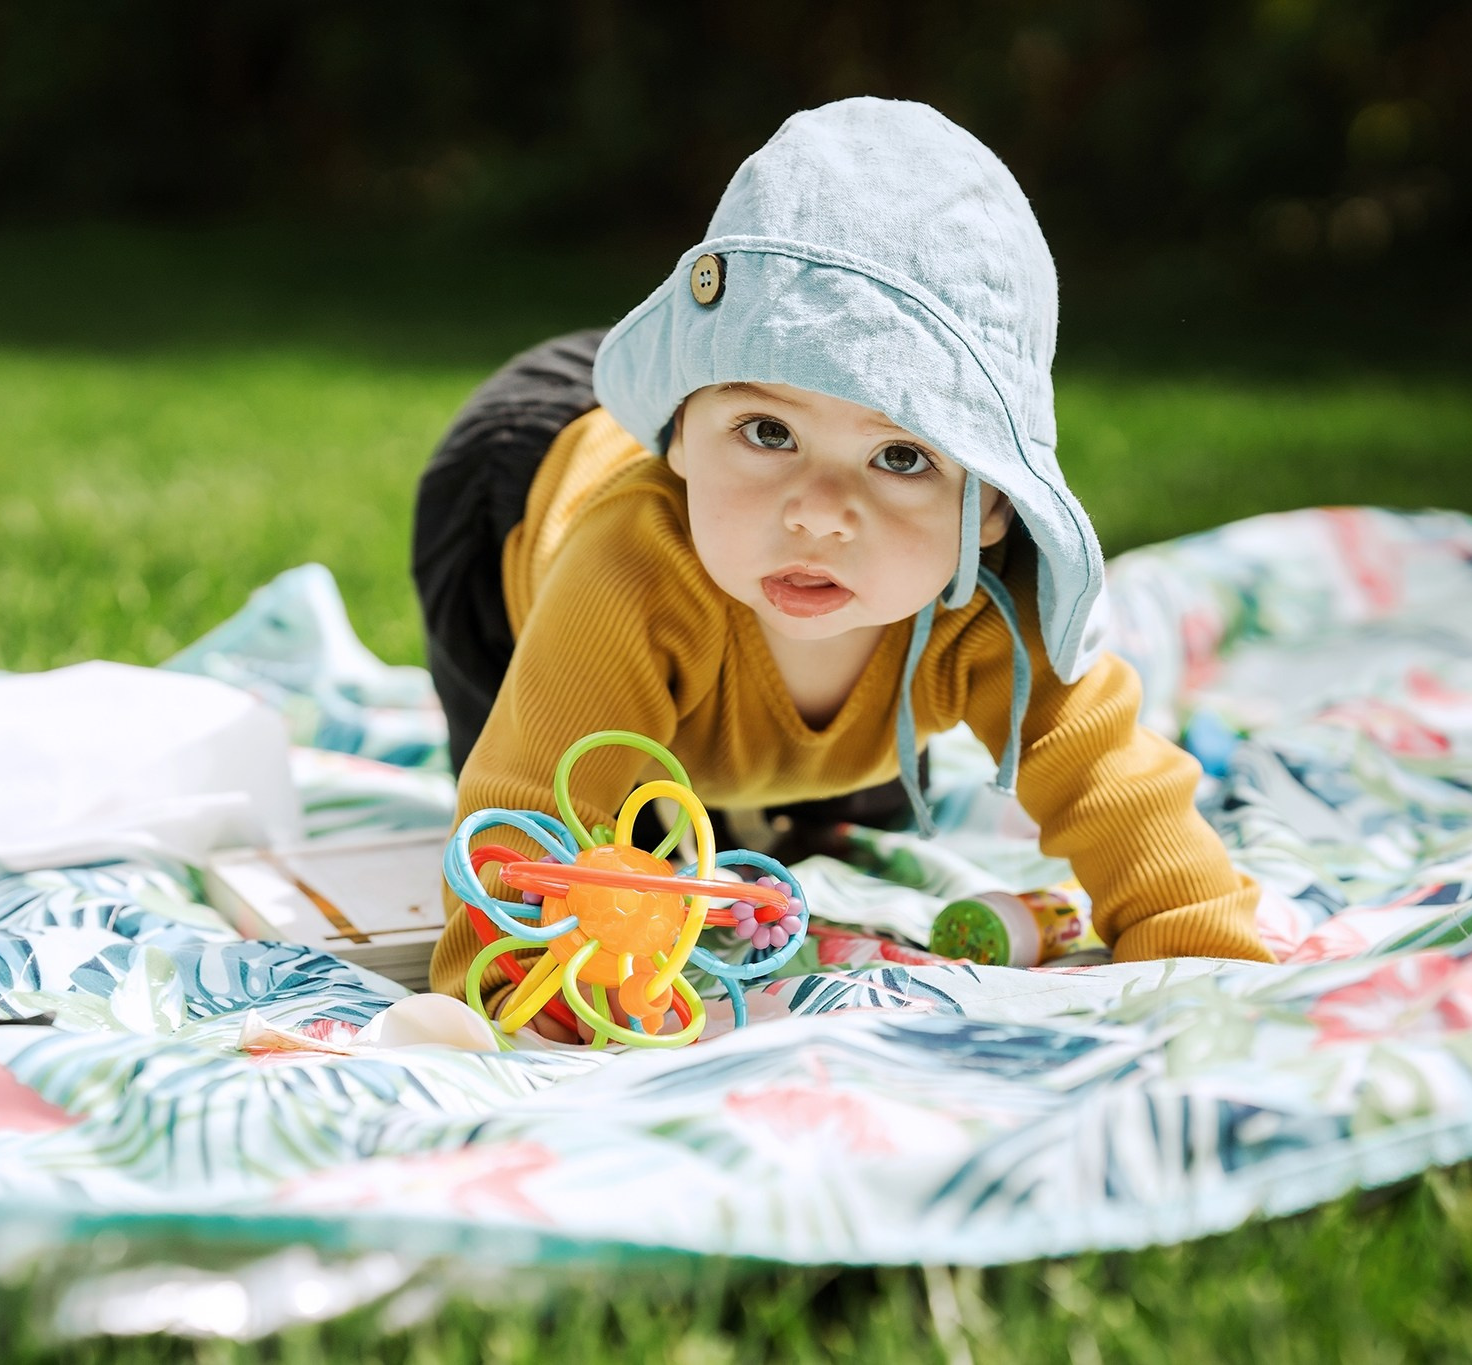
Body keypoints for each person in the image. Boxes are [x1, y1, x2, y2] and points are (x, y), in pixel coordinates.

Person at [412, 97, 1273, 1031]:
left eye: (901, 456)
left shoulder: (993, 614)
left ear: (989, 503)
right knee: (614, 822)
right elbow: (525, 803)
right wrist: (516, 980)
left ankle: (802, 784)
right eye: (770, 431)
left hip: (801, 575)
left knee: (845, 818)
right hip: (514, 497)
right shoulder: (632, 569)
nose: (818, 513)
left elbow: (1115, 785)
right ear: (683, 442)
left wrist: (1199, 950)